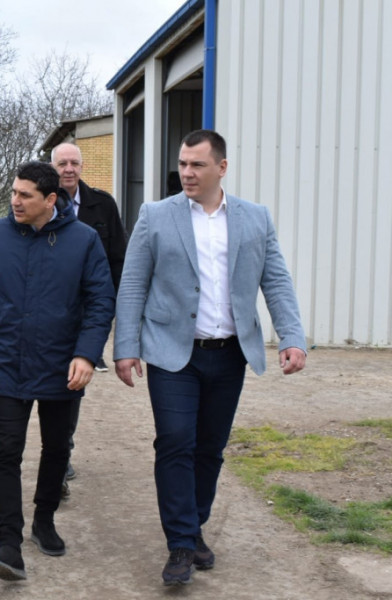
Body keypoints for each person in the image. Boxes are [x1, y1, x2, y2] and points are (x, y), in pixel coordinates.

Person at [113, 129, 307, 586]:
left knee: (210, 447)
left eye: (197, 165)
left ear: (221, 167)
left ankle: (194, 523)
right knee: (175, 440)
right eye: (183, 164)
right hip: (172, 353)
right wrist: (126, 347)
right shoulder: (155, 216)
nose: (187, 172)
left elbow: (276, 280)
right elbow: (134, 282)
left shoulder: (255, 218)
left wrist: (292, 337)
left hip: (229, 354)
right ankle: (181, 543)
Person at [0, 161, 115, 582]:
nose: (15, 201)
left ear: (50, 199)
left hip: (62, 364)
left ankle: (44, 519)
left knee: (57, 448)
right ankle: (9, 543)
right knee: (7, 451)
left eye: (25, 195)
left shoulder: (84, 240)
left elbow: (100, 301)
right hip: (7, 361)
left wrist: (86, 354)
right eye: (13, 193)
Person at [50, 142, 128, 489]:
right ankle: (58, 450)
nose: (69, 169)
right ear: (52, 167)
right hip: (52, 310)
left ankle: (62, 450)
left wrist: (112, 303)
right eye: (62, 163)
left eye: (74, 163)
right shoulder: (40, 202)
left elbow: (118, 259)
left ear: (82, 167)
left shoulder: (103, 205)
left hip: (88, 314)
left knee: (73, 381)